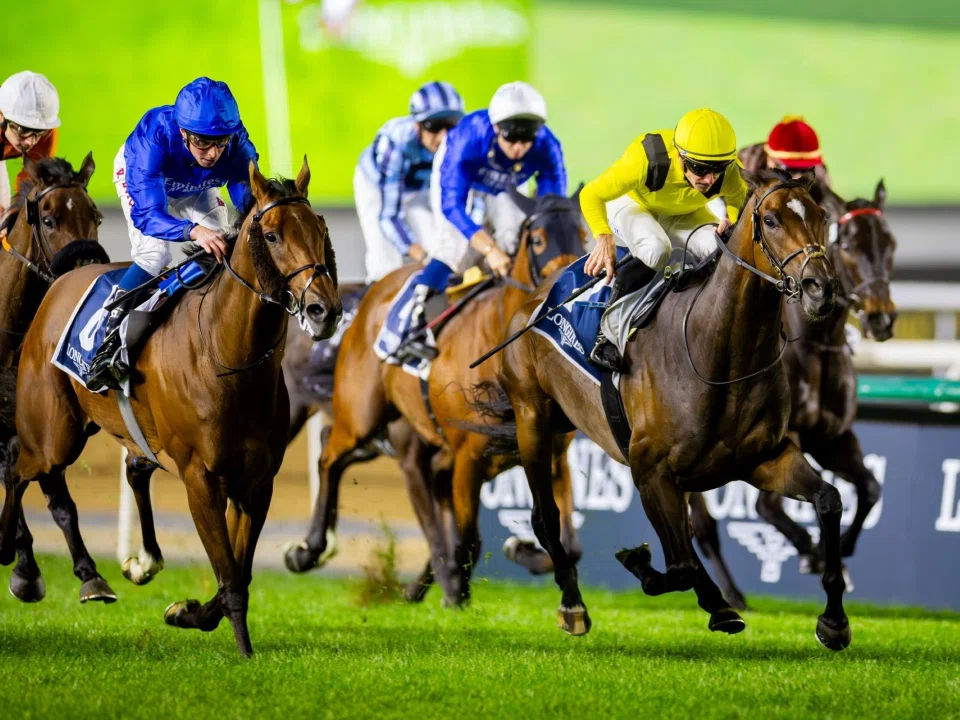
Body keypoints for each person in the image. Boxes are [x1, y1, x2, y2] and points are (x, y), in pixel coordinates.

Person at [373, 81, 566, 368]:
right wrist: (488, 250)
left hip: (505, 184)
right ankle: (407, 324)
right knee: (454, 247)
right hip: (463, 176)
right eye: (511, 139)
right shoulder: (467, 140)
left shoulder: (549, 147)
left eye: (527, 141)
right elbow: (453, 207)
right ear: (496, 128)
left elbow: (552, 208)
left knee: (514, 242)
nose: (518, 148)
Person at [86, 77, 259, 391]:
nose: (213, 154)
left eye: (220, 142)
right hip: (148, 185)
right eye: (203, 143)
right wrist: (193, 231)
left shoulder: (236, 145)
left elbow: (248, 200)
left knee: (224, 242)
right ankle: (106, 336)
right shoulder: (152, 139)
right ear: (183, 132)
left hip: (195, 188)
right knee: (155, 255)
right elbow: (148, 215)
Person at [580, 108, 749, 371]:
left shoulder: (728, 173)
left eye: (718, 170)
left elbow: (742, 205)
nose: (709, 179)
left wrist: (732, 220)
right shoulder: (646, 159)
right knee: (657, 249)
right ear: (680, 156)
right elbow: (591, 194)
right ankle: (607, 336)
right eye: (700, 168)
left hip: (683, 212)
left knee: (720, 250)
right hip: (633, 205)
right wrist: (603, 237)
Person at [355, 81, 464, 284]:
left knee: (439, 250)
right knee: (385, 262)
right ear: (417, 125)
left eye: (451, 125)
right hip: (377, 186)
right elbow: (389, 216)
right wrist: (421, 256)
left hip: (419, 186)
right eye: (434, 126)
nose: (444, 137)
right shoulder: (394, 143)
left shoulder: (460, 143)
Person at [0, 71, 61, 231]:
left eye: (38, 132)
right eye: (22, 130)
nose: (30, 142)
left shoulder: (47, 134)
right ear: (2, 117)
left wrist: (13, 213)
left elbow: (28, 181)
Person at [739, 115, 831, 189]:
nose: (797, 177)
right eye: (790, 170)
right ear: (770, 160)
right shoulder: (744, 165)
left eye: (805, 170)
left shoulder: (819, 174)